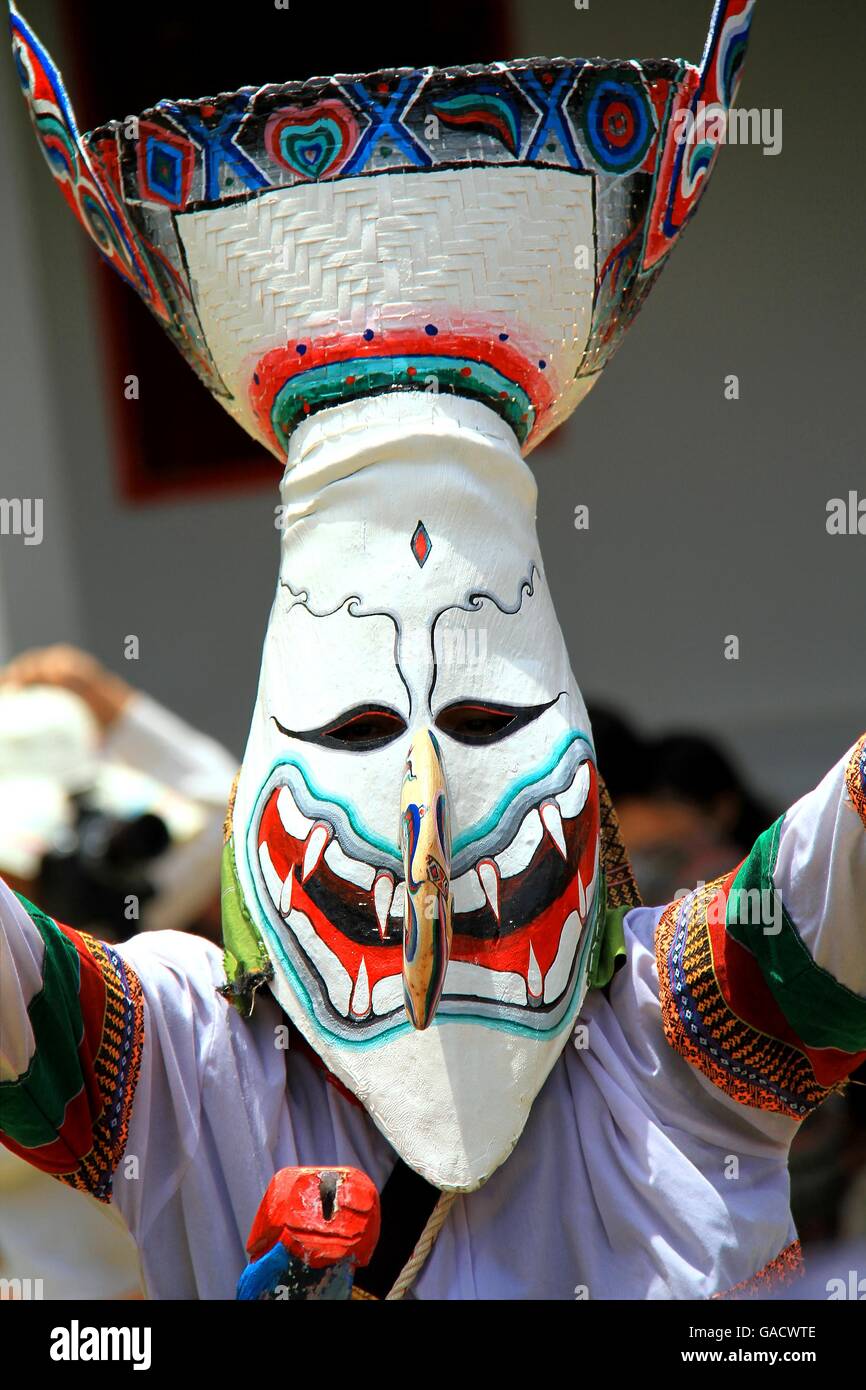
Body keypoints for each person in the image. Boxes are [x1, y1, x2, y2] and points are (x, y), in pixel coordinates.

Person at [5, 0, 865, 1301]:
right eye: (354, 728)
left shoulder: (675, 1027)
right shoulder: (185, 1065)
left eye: (481, 724)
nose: (422, 810)